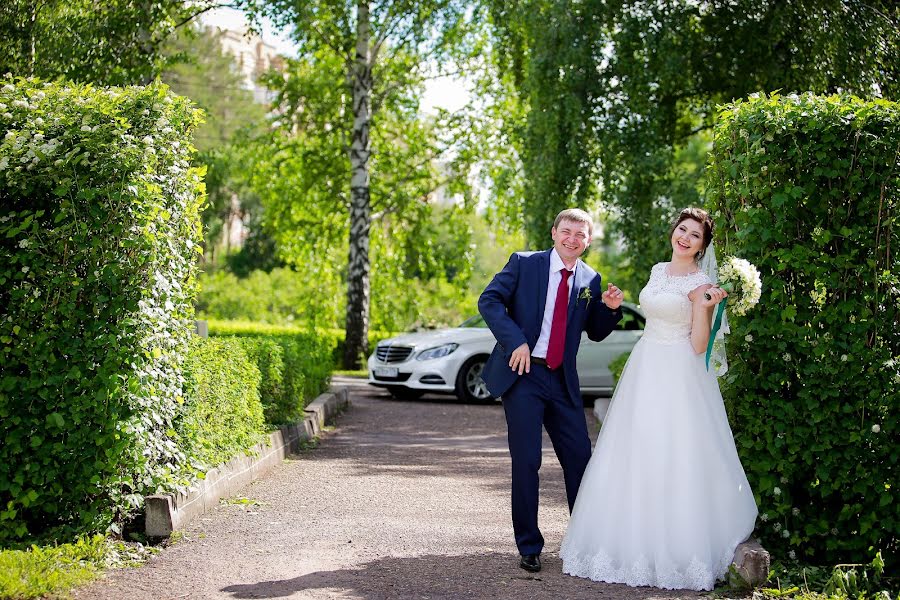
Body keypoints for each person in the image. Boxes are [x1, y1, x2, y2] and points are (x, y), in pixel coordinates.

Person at [560, 207, 758, 591]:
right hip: (645, 364)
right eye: (681, 229)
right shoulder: (656, 271)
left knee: (675, 450)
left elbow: (700, 345)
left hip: (678, 371)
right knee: (634, 449)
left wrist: (704, 308)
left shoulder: (702, 284)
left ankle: (675, 548)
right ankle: (624, 539)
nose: (684, 237)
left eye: (694, 235)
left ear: (703, 247)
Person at [478, 208, 625, 573]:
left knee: (580, 458)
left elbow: (595, 331)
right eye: (567, 231)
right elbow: (489, 300)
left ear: (588, 241)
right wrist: (515, 342)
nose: (572, 239)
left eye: (581, 234)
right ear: (554, 232)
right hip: (524, 374)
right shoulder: (524, 263)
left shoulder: (591, 280)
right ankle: (529, 546)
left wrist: (609, 310)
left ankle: (584, 541)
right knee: (528, 461)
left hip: (562, 380)